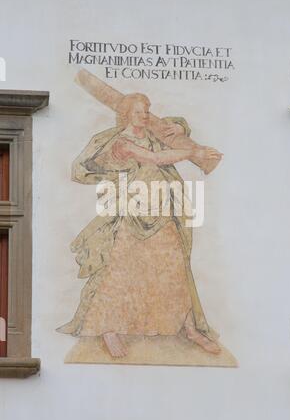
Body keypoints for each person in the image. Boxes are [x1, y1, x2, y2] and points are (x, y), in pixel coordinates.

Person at [57, 93, 222, 357]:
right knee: (119, 272)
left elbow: (172, 132)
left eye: (146, 112)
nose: (144, 117)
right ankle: (109, 330)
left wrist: (180, 128)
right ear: (125, 115)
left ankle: (190, 328)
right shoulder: (120, 143)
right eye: (138, 113)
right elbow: (157, 159)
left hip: (163, 211)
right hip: (132, 214)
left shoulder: (153, 135)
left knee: (175, 269)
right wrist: (195, 151)